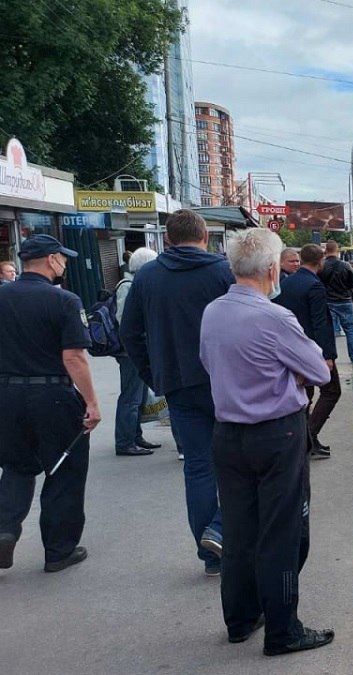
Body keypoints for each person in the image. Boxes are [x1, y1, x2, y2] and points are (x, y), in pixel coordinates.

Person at [200, 228, 335, 656]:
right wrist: (288, 372)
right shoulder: (274, 317)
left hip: (228, 435)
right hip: (277, 434)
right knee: (283, 531)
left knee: (240, 530)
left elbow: (210, 363)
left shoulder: (213, 311)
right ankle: (283, 628)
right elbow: (319, 370)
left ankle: (240, 619)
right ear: (273, 269)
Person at [120, 209, 234, 577]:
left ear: (167, 239)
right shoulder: (221, 271)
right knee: (238, 462)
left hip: (177, 385)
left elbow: (129, 332)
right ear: (204, 236)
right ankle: (220, 529)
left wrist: (152, 372)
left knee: (199, 468)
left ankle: (211, 555)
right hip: (225, 382)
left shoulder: (148, 276)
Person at [0, 235, 99, 573]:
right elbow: (74, 357)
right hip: (52, 396)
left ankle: (4, 530)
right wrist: (91, 403)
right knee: (63, 471)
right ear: (51, 260)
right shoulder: (64, 301)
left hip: (7, 395)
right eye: (63, 258)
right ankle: (59, 550)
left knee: (15, 467)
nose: (66, 264)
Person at [275, 244, 339, 459]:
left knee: (306, 395)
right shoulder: (314, 286)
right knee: (331, 391)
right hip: (313, 350)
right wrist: (328, 356)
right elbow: (320, 323)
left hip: (291, 348)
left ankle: (305, 441)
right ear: (321, 261)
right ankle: (308, 438)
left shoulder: (287, 282)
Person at [113, 247, 162, 457]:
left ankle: (135, 435)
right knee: (131, 396)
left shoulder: (135, 284)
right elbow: (125, 320)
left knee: (139, 395)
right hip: (129, 351)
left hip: (137, 348)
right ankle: (125, 441)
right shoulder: (128, 286)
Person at [318, 241, 353, 363]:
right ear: (337, 251)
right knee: (350, 330)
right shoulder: (345, 265)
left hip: (328, 302)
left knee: (328, 332)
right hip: (345, 301)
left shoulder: (321, 266)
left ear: (326, 250)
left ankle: (329, 358)